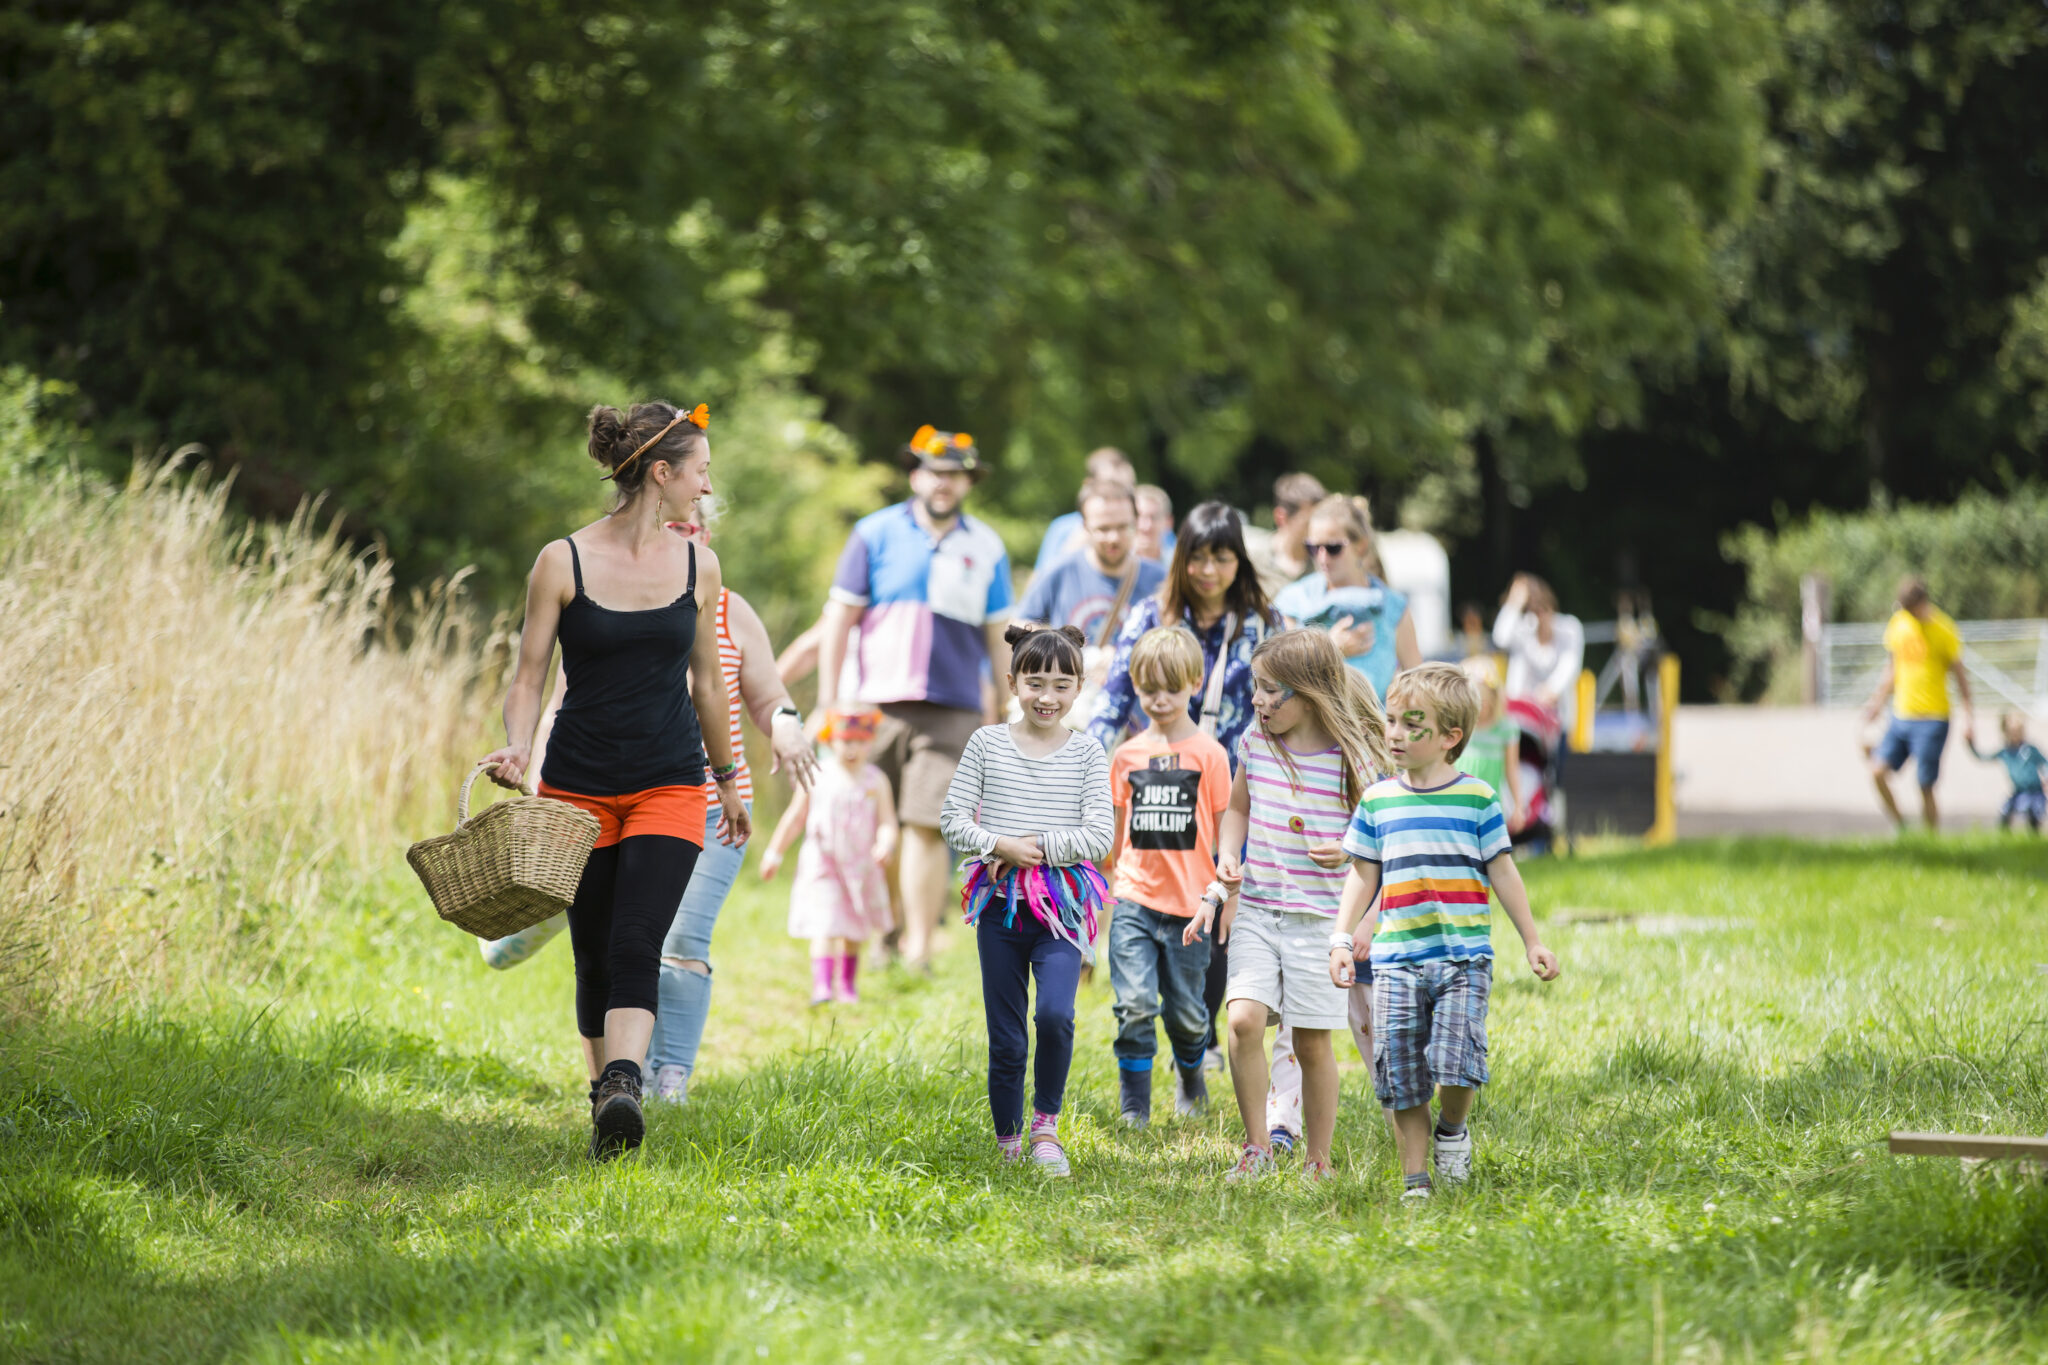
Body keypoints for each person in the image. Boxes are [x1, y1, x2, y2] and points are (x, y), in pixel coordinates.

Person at [480, 502, 819, 1110]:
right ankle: (526, 929)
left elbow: (767, 695)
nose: (684, 537)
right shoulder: (600, 585)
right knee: (602, 937)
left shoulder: (728, 608)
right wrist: (531, 762)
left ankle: (664, 1080)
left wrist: (788, 731)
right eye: (674, 529)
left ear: (708, 536)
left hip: (703, 797)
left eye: (694, 529)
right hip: (598, 782)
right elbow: (558, 693)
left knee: (677, 939)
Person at [479, 400, 750, 1160]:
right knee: (593, 950)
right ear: (661, 474)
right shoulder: (561, 560)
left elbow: (707, 685)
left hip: (669, 779)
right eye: (699, 471)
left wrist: (726, 777)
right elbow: (530, 674)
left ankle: (624, 1078)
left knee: (640, 936)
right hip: (578, 785)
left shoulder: (701, 564)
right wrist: (515, 746)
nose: (705, 487)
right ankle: (607, 1095)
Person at [1332, 662, 1561, 1200]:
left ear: (1450, 737)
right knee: (1403, 1072)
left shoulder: (1477, 798)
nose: (1394, 734)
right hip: (1396, 961)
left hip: (1463, 960)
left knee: (1458, 1064)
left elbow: (1503, 871)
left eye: (1412, 725)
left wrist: (1532, 940)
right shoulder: (1378, 801)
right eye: (1390, 721)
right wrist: (1342, 938)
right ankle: (1416, 1181)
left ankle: (1452, 1132)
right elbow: (1363, 875)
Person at [1087, 501, 1279, 1073]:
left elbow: (1289, 698)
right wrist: (1082, 764)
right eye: (1197, 557)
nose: (1208, 570)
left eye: (1221, 557)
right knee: (1163, 901)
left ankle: (1204, 1039)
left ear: (1238, 560)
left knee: (1223, 896)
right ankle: (1182, 1041)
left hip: (1239, 782)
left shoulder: (1263, 622)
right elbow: (1114, 698)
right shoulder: (1152, 613)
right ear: (1181, 559)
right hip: (1161, 781)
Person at [816, 425, 1014, 972]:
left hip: (953, 708)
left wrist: (1009, 710)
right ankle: (884, 932)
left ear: (968, 481)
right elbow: (839, 621)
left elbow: (998, 637)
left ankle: (920, 949)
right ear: (915, 474)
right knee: (873, 825)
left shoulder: (986, 545)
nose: (943, 482)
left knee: (927, 824)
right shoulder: (873, 533)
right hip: (873, 703)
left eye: (955, 474)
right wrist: (830, 701)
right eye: (934, 471)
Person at [1206, 629, 1392, 1183]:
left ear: (1309, 694)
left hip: (1320, 920)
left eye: (1269, 691)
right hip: (1260, 910)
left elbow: (1379, 834)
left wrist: (1348, 850)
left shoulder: (1349, 756)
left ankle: (1319, 1160)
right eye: (1256, 688)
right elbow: (1235, 808)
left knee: (1312, 1045)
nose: (1258, 700)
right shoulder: (1253, 744)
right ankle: (1257, 1146)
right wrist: (1227, 854)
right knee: (1242, 1021)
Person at [939, 624, 1115, 1177]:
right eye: (1035, 682)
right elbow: (951, 820)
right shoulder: (987, 744)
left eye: (1062, 685)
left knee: (1056, 1015)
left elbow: (1099, 836)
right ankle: (1008, 1138)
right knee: (1008, 1032)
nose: (1047, 696)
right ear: (1013, 682)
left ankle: (1046, 1126)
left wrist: (1031, 848)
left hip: (1062, 907)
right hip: (1000, 906)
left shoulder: (1087, 751)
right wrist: (997, 845)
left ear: (1079, 687)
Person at [1103, 626, 1234, 1128]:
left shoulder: (1211, 754)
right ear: (1134, 685)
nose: (1159, 699)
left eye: (1171, 688)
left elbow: (1227, 839)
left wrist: (1227, 900)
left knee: (1186, 1014)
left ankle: (1191, 1076)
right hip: (1134, 900)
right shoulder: (1126, 756)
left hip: (1191, 910)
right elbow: (1115, 837)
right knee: (1134, 1005)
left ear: (1195, 684)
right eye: (1148, 688)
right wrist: (1102, 892)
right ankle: (1134, 1104)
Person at [761, 707, 898, 1003]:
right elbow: (796, 817)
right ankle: (822, 985)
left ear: (870, 743)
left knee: (853, 928)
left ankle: (847, 985)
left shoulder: (876, 780)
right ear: (830, 740)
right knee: (824, 924)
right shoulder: (818, 775)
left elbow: (888, 821)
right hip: (823, 864)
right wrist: (774, 853)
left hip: (860, 866)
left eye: (860, 741)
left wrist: (885, 843)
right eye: (845, 740)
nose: (852, 748)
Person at [1273, 493, 1422, 702]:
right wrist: (1330, 650)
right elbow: (1274, 676)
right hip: (1311, 731)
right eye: (1314, 548)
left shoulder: (1393, 607)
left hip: (1374, 731)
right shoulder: (1292, 600)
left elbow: (1417, 686)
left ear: (1360, 546)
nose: (1322, 558)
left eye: (1333, 548)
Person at [1862, 576, 1974, 832]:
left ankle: (1930, 840)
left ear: (1923, 602)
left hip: (1934, 718)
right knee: (1877, 771)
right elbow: (1891, 669)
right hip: (1901, 716)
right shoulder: (1898, 624)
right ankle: (1901, 828)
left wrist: (1969, 718)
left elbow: (1961, 679)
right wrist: (1876, 703)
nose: (1910, 615)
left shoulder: (1945, 628)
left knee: (1924, 785)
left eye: (1913, 609)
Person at [1032, 448, 1175, 573]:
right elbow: (1041, 584)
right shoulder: (1063, 529)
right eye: (1112, 487)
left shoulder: (1149, 526)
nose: (1122, 497)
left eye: (1129, 487)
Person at [1491, 573, 1586, 731]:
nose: (1540, 615)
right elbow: (1500, 638)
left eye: (1543, 608)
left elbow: (1570, 665)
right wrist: (1514, 602)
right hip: (1521, 719)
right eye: (1535, 610)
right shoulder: (1524, 629)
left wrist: (1551, 689)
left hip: (1556, 719)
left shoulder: (1569, 628)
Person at [1455, 656, 1525, 833]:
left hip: (1488, 800)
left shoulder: (1506, 728)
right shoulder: (1460, 726)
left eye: (1482, 703)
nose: (1478, 709)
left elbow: (1512, 769)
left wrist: (1518, 805)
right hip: (1459, 797)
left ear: (1494, 698)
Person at [1969, 712, 2046, 833]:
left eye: (2019, 731)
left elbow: (2044, 763)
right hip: (2018, 792)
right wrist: (1970, 745)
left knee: (2033, 812)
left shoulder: (2030, 750)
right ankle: (2004, 837)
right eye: (2013, 732)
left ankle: (2034, 836)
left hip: (2035, 791)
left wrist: (2046, 777)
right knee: (2005, 811)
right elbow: (1983, 757)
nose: (2016, 735)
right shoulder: (2005, 752)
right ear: (2005, 732)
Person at [1134, 485, 1175, 565]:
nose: (1147, 526)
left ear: (1168, 522)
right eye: (1140, 516)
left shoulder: (1178, 565)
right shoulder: (1116, 561)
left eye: (1154, 518)